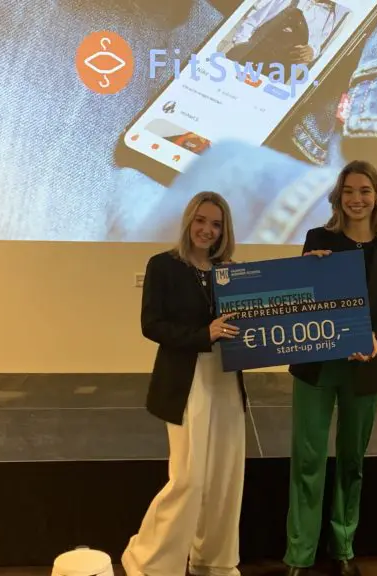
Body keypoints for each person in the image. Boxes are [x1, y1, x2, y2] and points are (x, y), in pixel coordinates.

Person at [282, 160, 377, 576]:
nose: (357, 199)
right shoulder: (317, 239)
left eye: (365, 191)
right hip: (316, 367)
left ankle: (343, 548)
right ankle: (300, 554)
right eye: (349, 191)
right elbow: (299, 300)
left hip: (366, 369)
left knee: (352, 461)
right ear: (338, 198)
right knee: (307, 459)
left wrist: (375, 338)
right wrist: (306, 270)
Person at [121, 191, 247, 576]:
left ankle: (214, 563)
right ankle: (149, 562)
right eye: (201, 220)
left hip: (226, 380)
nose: (207, 230)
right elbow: (152, 325)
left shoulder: (229, 271)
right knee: (188, 479)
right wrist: (202, 334)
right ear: (189, 220)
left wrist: (309, 269)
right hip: (185, 380)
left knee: (225, 477)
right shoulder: (163, 265)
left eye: (216, 224)